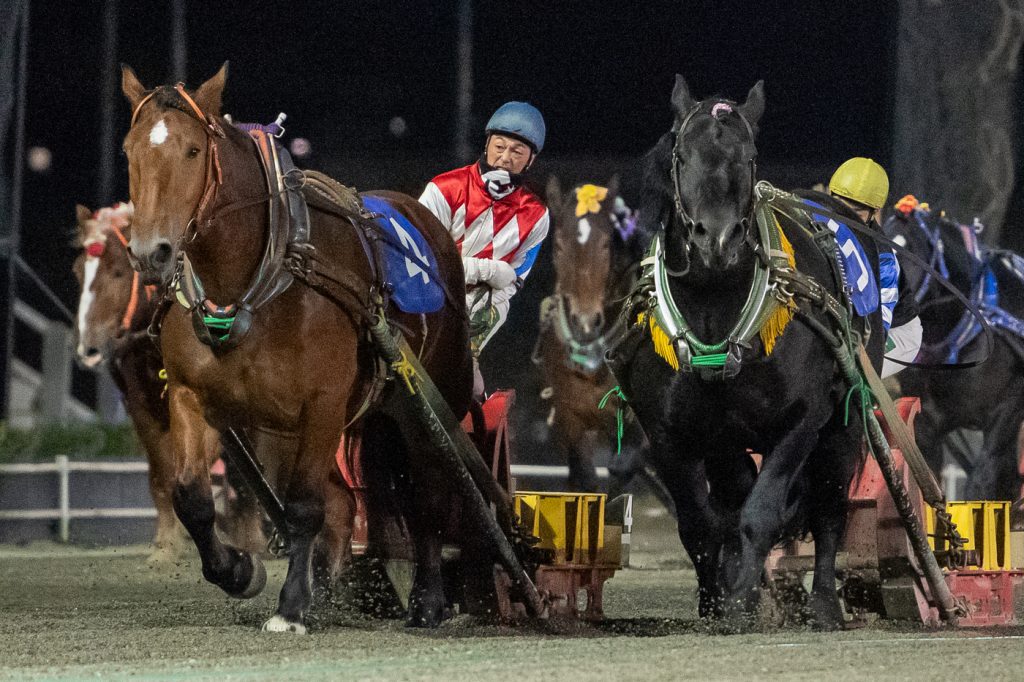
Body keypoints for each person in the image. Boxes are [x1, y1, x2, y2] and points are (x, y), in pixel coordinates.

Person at [419, 102, 550, 395]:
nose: (505, 158)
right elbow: (421, 259)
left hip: (481, 310)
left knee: (469, 384)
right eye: (499, 147)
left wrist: (474, 310)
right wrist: (488, 270)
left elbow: (513, 282)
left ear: (530, 160)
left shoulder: (537, 215)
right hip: (426, 297)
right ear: (487, 144)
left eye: (517, 152)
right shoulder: (443, 188)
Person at [827, 157, 922, 378]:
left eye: (856, 213)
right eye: (839, 205)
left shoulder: (883, 258)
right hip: (852, 320)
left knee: (846, 372)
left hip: (897, 333)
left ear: (874, 213)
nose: (843, 218)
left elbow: (878, 329)